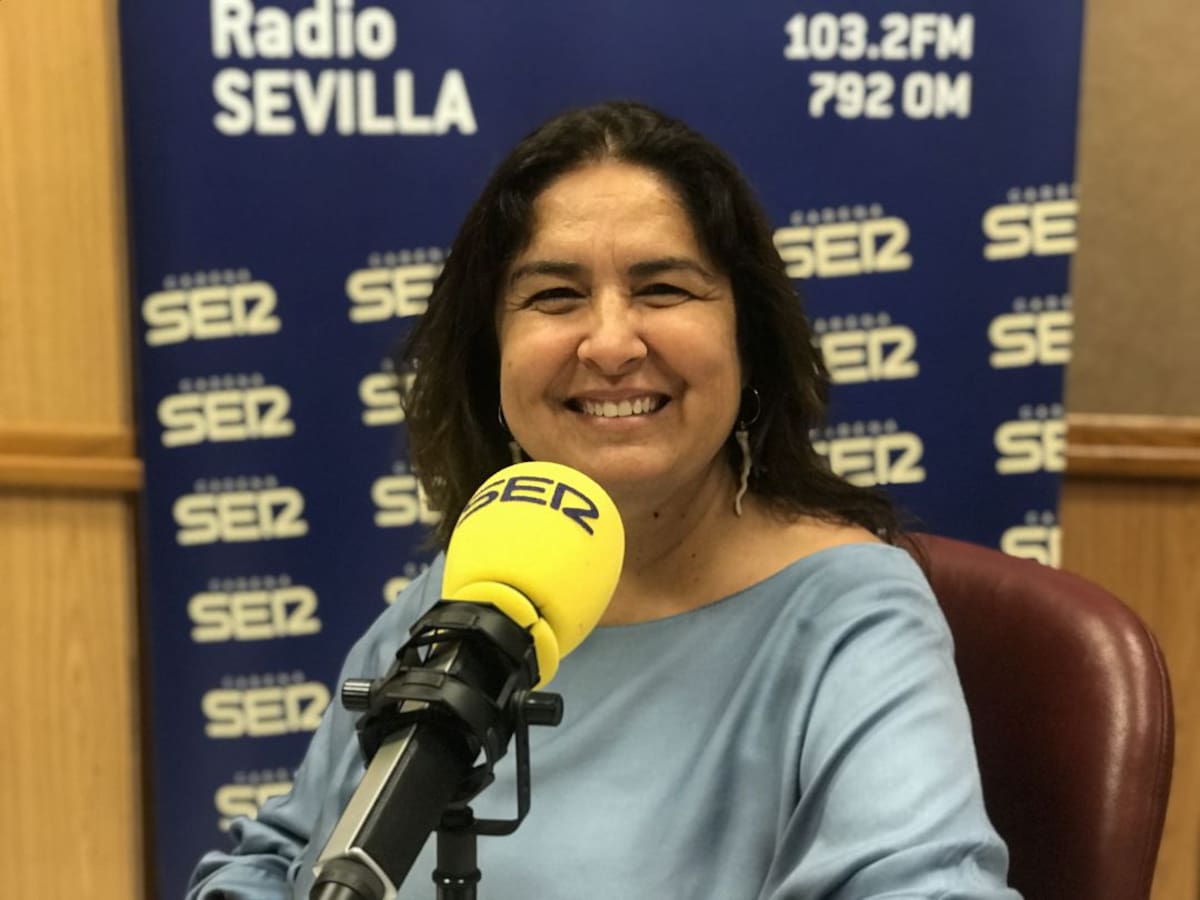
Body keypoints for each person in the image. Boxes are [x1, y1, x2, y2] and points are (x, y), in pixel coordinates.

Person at [188, 101, 1020, 899]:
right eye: (555, 296)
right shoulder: (476, 582)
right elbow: (282, 855)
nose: (612, 344)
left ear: (748, 338)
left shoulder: (850, 615)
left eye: (663, 290)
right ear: (492, 354)